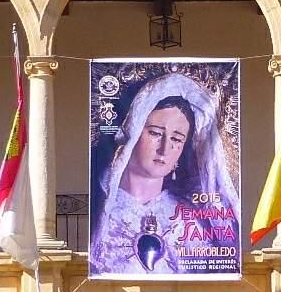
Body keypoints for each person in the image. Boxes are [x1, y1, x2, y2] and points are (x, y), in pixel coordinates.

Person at [89, 71, 240, 277]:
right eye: (155, 133)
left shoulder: (191, 221)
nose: (164, 148)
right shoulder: (98, 211)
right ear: (132, 132)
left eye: (176, 139)